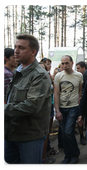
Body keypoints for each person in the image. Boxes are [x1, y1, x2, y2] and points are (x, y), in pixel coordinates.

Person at [2, 34, 52, 165]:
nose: (16, 51)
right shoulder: (18, 71)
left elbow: (32, 105)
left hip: (30, 136)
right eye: (15, 47)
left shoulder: (39, 75)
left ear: (33, 52)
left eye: (21, 48)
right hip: (12, 133)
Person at [54, 55, 83, 165]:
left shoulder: (79, 75)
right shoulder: (58, 76)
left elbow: (80, 92)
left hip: (73, 107)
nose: (64, 65)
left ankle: (75, 154)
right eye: (63, 63)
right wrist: (57, 110)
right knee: (64, 134)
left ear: (72, 63)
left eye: (67, 63)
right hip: (61, 108)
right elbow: (56, 94)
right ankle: (67, 155)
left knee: (68, 132)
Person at [76, 61, 87, 145]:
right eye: (76, 68)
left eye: (78, 68)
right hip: (79, 101)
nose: (77, 70)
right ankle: (81, 136)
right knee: (80, 118)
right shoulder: (76, 77)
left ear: (84, 68)